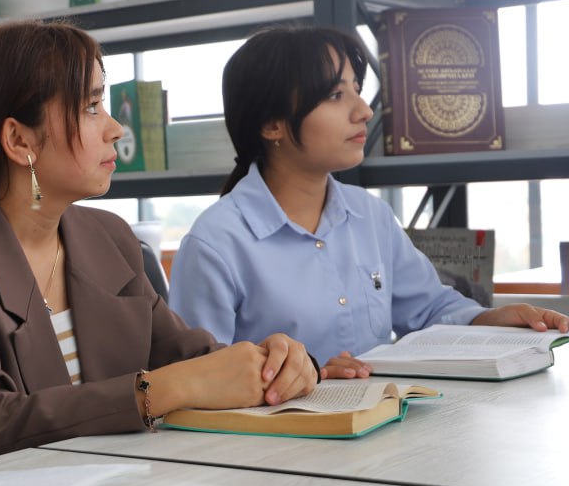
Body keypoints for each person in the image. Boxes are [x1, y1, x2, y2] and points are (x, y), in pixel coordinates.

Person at [0, 21, 318, 478]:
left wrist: (275, 365)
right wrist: (160, 390)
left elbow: (189, 359)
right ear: (20, 140)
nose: (116, 128)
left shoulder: (109, 237)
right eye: (92, 107)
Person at [168, 25, 568, 380]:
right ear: (272, 124)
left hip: (379, 430)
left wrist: (493, 318)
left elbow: (428, 310)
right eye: (335, 95)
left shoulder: (370, 215)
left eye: (357, 91)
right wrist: (313, 379)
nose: (363, 111)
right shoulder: (215, 244)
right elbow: (197, 380)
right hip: (273, 453)